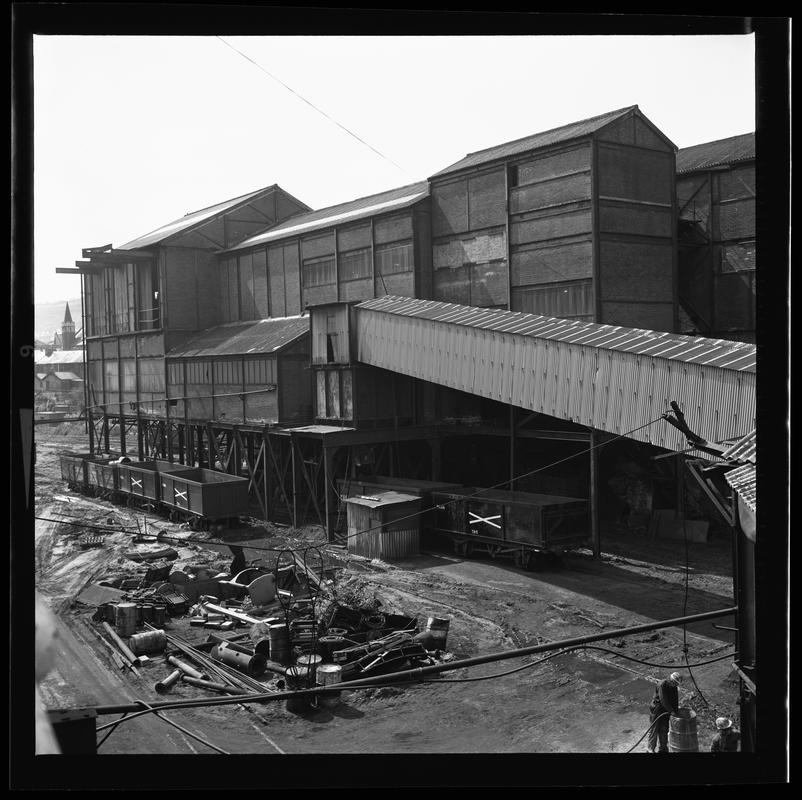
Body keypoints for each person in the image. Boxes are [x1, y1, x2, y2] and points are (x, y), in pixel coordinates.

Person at [647, 671, 683, 753]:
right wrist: (671, 711)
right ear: (671, 680)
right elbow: (663, 700)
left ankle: (663, 748)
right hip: (657, 709)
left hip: (665, 710)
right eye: (675, 683)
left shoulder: (674, 687)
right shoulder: (662, 684)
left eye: (677, 685)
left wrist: (676, 712)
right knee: (654, 729)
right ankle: (650, 749)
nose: (676, 686)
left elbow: (675, 700)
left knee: (664, 729)